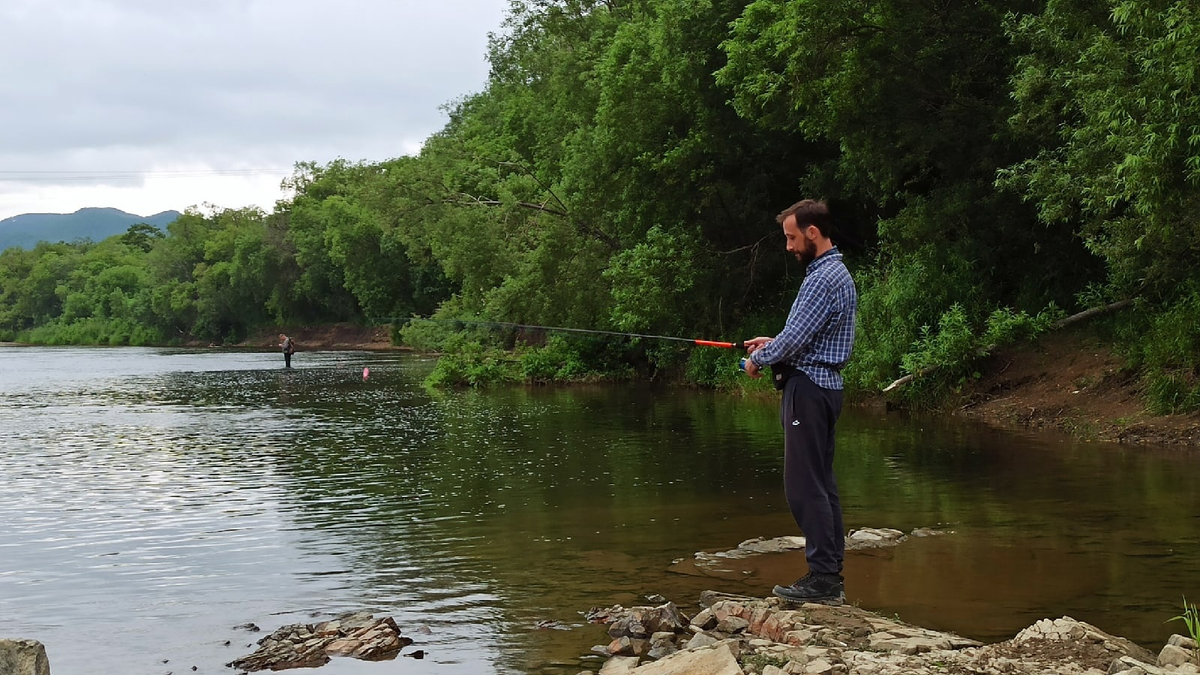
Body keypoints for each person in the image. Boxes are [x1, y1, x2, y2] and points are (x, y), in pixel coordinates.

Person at [742, 199, 857, 605]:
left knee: (803, 487)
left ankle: (824, 579)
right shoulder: (834, 273)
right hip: (823, 386)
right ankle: (829, 575)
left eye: (792, 237)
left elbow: (795, 342)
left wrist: (757, 359)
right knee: (822, 485)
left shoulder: (821, 278)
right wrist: (773, 343)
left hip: (808, 389)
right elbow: (803, 338)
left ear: (812, 232)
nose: (788, 246)